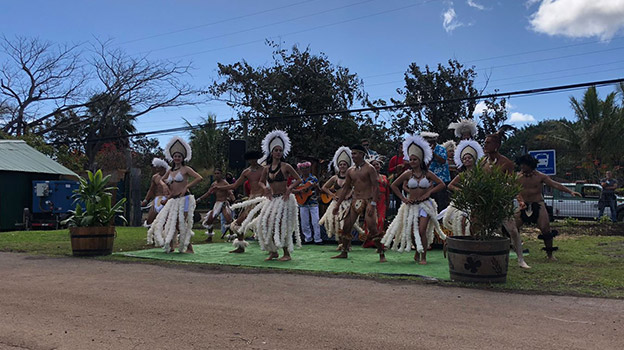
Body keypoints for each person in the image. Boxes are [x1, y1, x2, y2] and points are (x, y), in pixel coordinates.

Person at [381, 134, 447, 265]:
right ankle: (417, 250)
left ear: (420, 160)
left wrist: (428, 193)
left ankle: (424, 257)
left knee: (422, 230)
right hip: (411, 206)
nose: (412, 162)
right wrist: (403, 199)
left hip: (425, 205)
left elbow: (442, 184)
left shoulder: (427, 174)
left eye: (414, 159)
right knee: (412, 233)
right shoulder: (407, 174)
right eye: (410, 159)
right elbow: (393, 185)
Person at [247, 130, 302, 261]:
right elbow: (260, 182)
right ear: (271, 152)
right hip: (272, 199)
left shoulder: (286, 166)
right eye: (276, 150)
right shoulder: (266, 168)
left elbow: (299, 179)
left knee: (281, 225)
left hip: (284, 199)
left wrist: (290, 188)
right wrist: (264, 188)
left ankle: (286, 253)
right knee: (265, 223)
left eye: (280, 150)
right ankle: (273, 251)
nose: (278, 152)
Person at [515, 154, 581, 261]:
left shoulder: (540, 176)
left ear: (530, 165)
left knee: (545, 229)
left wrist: (570, 191)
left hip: (538, 204)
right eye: (521, 164)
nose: (522, 167)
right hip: (524, 205)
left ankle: (550, 255)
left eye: (524, 165)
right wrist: (521, 201)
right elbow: (515, 191)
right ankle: (514, 249)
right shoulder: (517, 177)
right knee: (512, 227)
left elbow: (555, 185)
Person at [482, 130, 530, 268]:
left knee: (512, 230)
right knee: (487, 230)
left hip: (501, 199)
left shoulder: (506, 163)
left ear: (496, 145)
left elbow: (512, 183)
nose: (485, 145)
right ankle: (488, 258)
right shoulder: (482, 162)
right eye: (484, 143)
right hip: (486, 200)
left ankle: (520, 259)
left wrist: (520, 200)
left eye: (488, 143)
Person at [147, 136, 203, 253]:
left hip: (185, 198)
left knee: (180, 223)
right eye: (175, 156)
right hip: (173, 199)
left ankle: (189, 247)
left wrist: (187, 186)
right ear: (172, 158)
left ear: (182, 158)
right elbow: (161, 180)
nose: (177, 158)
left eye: (179, 156)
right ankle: (172, 246)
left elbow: (199, 178)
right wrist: (164, 185)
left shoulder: (186, 169)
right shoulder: (170, 171)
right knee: (170, 221)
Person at [331, 144, 385, 262]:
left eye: (355, 153)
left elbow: (376, 187)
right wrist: (337, 205)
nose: (353, 156)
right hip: (355, 200)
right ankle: (344, 251)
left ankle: (381, 253)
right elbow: (345, 189)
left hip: (369, 200)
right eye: (352, 153)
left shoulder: (370, 168)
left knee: (372, 227)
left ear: (362, 154)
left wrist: (373, 204)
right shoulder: (351, 171)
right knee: (346, 226)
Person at [212, 150, 266, 253]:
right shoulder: (246, 172)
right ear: (248, 160)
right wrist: (219, 188)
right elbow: (234, 185)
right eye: (251, 159)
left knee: (267, 223)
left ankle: (272, 248)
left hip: (263, 199)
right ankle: (241, 246)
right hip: (252, 200)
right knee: (237, 223)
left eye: (254, 158)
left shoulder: (264, 170)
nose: (253, 161)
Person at [318, 146, 363, 249]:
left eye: (344, 164)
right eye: (341, 164)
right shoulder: (335, 177)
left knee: (347, 224)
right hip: (337, 203)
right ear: (338, 166)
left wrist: (350, 194)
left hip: (348, 203)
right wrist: (332, 195)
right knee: (336, 222)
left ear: (348, 165)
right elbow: (324, 187)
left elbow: (358, 187)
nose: (342, 166)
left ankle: (348, 244)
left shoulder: (352, 176)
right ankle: (341, 243)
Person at [443, 140, 484, 237]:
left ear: (474, 159)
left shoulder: (480, 174)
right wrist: (462, 191)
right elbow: (450, 185)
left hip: (477, 201)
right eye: (464, 158)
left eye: (469, 158)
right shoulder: (462, 175)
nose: (467, 160)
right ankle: (463, 239)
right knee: (461, 221)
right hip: (465, 201)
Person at [196, 168, 234, 243]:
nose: (216, 175)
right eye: (215, 173)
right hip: (217, 203)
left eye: (218, 173)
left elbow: (230, 192)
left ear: (221, 174)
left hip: (224, 203)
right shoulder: (214, 184)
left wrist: (232, 198)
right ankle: (210, 237)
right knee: (210, 219)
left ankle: (232, 236)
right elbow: (208, 193)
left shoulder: (225, 183)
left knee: (228, 219)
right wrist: (199, 199)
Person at [362, 156, 390, 248]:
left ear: (380, 166)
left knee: (381, 220)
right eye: (373, 165)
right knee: (371, 220)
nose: (376, 166)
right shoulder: (368, 177)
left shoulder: (385, 177)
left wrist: (388, 202)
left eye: (377, 164)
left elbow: (387, 191)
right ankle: (369, 241)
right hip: (371, 200)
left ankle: (379, 241)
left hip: (382, 200)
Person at [293, 161, 323, 245]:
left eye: (306, 168)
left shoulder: (313, 178)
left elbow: (318, 190)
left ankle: (317, 239)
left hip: (313, 202)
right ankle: (308, 238)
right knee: (304, 222)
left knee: (315, 221)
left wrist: (317, 187)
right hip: (302, 203)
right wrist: (300, 190)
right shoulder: (298, 179)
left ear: (309, 169)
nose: (304, 170)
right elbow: (292, 190)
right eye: (302, 169)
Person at [421, 132, 451, 210]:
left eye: (430, 142)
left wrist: (433, 154)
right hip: (430, 181)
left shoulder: (441, 149)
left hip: (443, 180)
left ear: (434, 142)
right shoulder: (424, 151)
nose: (429, 144)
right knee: (432, 203)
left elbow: (443, 160)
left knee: (442, 203)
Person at [142, 158, 170, 227]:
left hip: (167, 199)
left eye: (158, 167)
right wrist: (146, 200)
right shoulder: (155, 177)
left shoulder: (170, 176)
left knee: (166, 219)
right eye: (156, 167)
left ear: (163, 167)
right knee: (150, 219)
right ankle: (151, 234)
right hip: (157, 199)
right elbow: (151, 190)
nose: (157, 169)